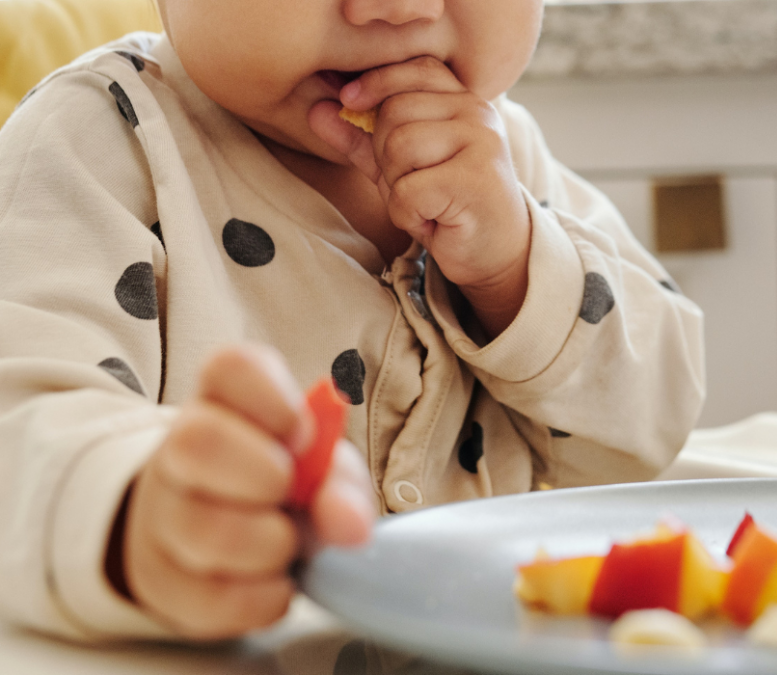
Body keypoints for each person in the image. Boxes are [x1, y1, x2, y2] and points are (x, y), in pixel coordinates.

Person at [0, 0, 705, 643]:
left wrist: (517, 271)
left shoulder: (510, 160)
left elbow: (654, 430)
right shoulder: (97, 142)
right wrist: (134, 519)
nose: (398, 8)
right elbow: (19, 436)